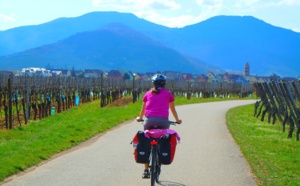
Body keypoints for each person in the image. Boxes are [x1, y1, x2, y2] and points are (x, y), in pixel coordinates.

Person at [136, 74, 182, 179]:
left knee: (147, 141)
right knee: (163, 139)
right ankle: (161, 154)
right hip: (163, 122)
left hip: (149, 121)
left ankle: (146, 170)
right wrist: (177, 120)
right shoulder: (168, 94)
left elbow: (143, 109)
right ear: (165, 84)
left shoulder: (148, 93)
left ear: (153, 83)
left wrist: (140, 118)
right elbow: (173, 110)